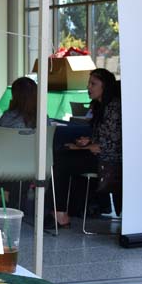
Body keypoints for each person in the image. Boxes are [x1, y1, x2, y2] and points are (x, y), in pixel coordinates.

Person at [49, 68, 121, 228]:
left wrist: (80, 147)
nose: (89, 87)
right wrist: (87, 141)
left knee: (62, 161)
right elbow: (102, 137)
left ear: (105, 86)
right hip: (99, 155)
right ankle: (63, 210)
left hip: (109, 160)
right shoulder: (99, 107)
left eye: (93, 84)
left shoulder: (113, 108)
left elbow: (109, 144)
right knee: (62, 154)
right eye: (89, 83)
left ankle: (60, 212)